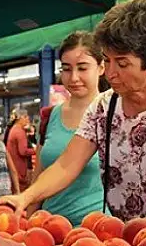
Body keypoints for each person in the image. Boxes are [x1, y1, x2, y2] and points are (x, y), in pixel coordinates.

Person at [0, 0, 146, 224]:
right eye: (107, 61)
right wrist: (25, 197)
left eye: (122, 64)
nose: (110, 73)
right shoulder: (104, 106)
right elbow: (66, 165)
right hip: (130, 239)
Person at [32, 31, 106, 226]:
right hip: (49, 231)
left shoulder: (114, 114)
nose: (73, 78)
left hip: (98, 232)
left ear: (101, 67)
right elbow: (38, 178)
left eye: (82, 68)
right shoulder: (49, 117)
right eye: (66, 69)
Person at [6, 110, 36, 191]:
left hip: (14, 169)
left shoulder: (14, 129)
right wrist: (36, 150)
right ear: (21, 118)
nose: (28, 119)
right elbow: (23, 151)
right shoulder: (19, 131)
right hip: (19, 170)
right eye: (26, 117)